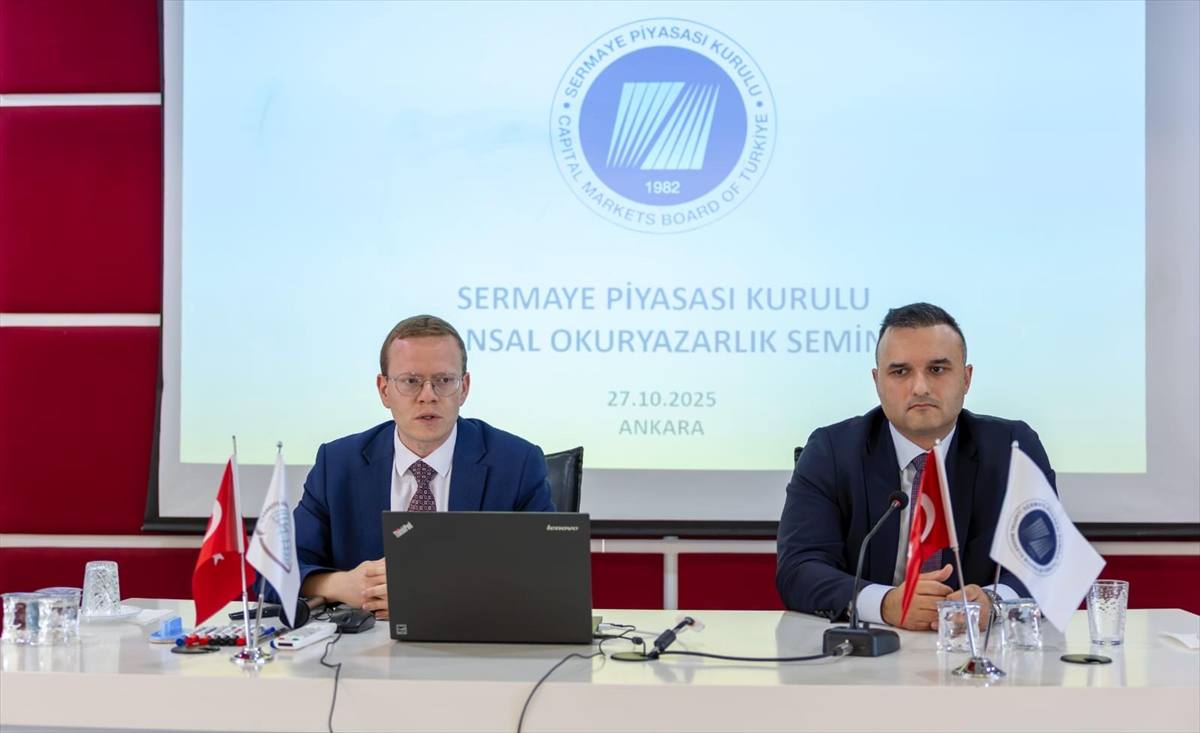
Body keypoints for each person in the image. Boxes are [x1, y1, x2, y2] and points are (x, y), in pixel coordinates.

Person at [776, 303, 1056, 630]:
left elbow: (1047, 562)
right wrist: (884, 604)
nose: (920, 387)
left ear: (966, 378)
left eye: (937, 369)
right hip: (872, 643)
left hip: (981, 646)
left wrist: (993, 603)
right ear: (877, 381)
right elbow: (799, 568)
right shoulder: (831, 452)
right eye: (900, 372)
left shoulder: (1012, 449)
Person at [293, 315, 554, 618]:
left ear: (464, 388)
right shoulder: (338, 464)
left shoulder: (517, 464)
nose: (427, 396)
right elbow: (277, 571)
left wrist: (436, 593)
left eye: (444, 380)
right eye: (410, 381)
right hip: (363, 643)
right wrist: (344, 585)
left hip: (473, 638)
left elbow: (547, 577)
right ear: (384, 390)